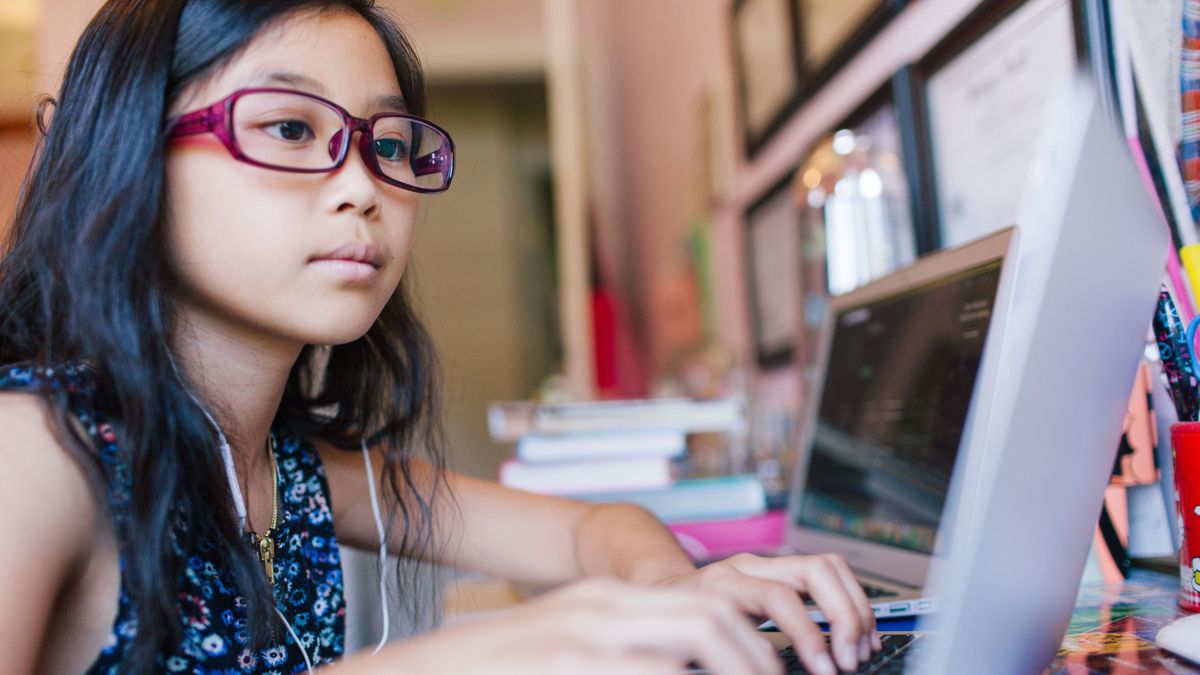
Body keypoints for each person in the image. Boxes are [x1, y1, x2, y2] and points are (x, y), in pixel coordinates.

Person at [0, 1, 879, 673]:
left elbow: (592, 530)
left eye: (387, 144)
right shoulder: (39, 451)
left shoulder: (295, 469)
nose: (362, 187)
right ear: (127, 152)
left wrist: (678, 596)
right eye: (291, 128)